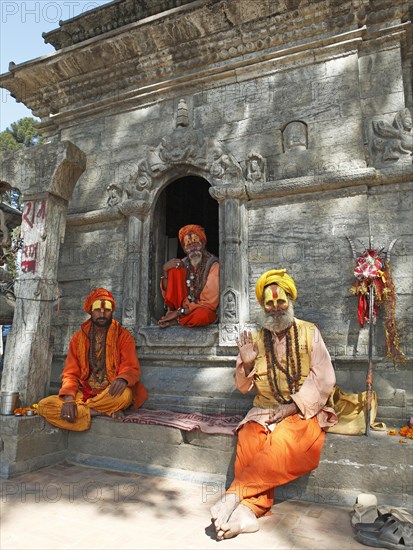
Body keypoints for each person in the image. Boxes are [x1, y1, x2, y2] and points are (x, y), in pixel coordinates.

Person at [210, 269, 337, 540]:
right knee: (249, 438)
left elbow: (324, 378)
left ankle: (234, 497)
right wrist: (245, 363)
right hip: (264, 409)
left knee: (283, 441)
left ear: (290, 301)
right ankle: (247, 513)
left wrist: (292, 407)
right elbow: (244, 387)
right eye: (270, 303)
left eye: (281, 302)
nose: (276, 308)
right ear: (263, 306)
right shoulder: (255, 339)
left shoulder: (309, 332)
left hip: (302, 411)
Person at [38, 288, 147, 431]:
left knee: (125, 396)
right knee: (44, 405)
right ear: (90, 311)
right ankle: (99, 412)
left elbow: (131, 367)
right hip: (83, 393)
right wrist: (70, 400)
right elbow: (70, 373)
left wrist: (123, 379)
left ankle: (81, 411)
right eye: (97, 310)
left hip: (110, 392)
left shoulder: (123, 336)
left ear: (112, 311)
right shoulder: (78, 338)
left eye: (106, 310)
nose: (102, 314)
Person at [158, 224, 219, 328]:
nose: (193, 249)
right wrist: (165, 270)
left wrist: (180, 312)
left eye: (196, 243)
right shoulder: (182, 263)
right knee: (173, 269)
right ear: (184, 249)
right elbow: (168, 295)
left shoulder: (214, 265)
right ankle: (177, 317)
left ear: (203, 243)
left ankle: (177, 320)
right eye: (188, 245)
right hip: (181, 309)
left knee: (202, 316)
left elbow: (209, 304)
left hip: (202, 310)